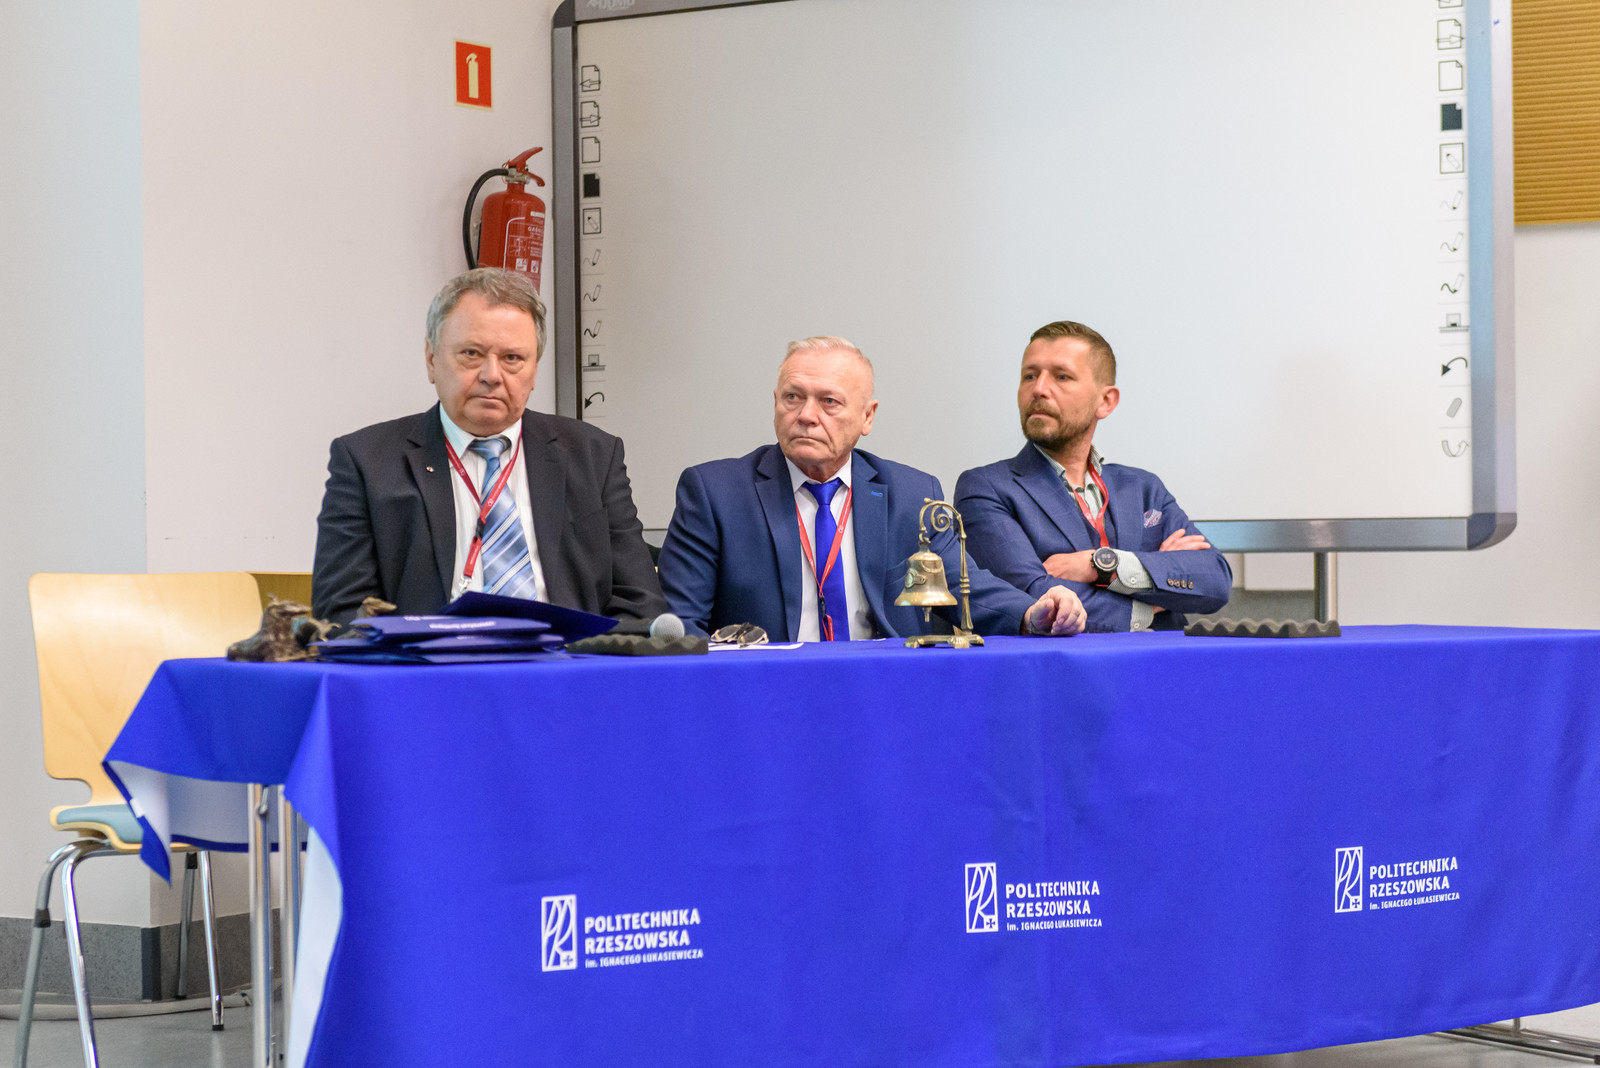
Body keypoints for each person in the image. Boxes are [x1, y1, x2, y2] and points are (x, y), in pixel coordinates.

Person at [656, 337, 1085, 641]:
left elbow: (964, 586)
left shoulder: (912, 494)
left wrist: (1031, 612)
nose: (806, 415)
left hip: (883, 690)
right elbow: (681, 623)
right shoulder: (715, 493)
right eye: (792, 397)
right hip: (764, 695)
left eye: (829, 401)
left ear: (867, 416)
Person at [312, 268, 666, 624]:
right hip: (431, 657)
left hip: (565, 656)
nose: (492, 375)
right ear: (432, 359)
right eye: (471, 353)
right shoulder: (367, 462)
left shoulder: (593, 456)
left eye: (512, 358)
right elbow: (342, 614)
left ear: (534, 371)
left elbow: (640, 603)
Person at [954, 320, 1232, 632]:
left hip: (1164, 659)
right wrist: (1158, 599)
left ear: (1105, 401)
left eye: (1062, 376)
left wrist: (1098, 564)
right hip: (1068, 663)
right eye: (1029, 375)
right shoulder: (987, 489)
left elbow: (1215, 579)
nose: (1039, 388)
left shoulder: (1144, 489)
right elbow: (1035, 595)